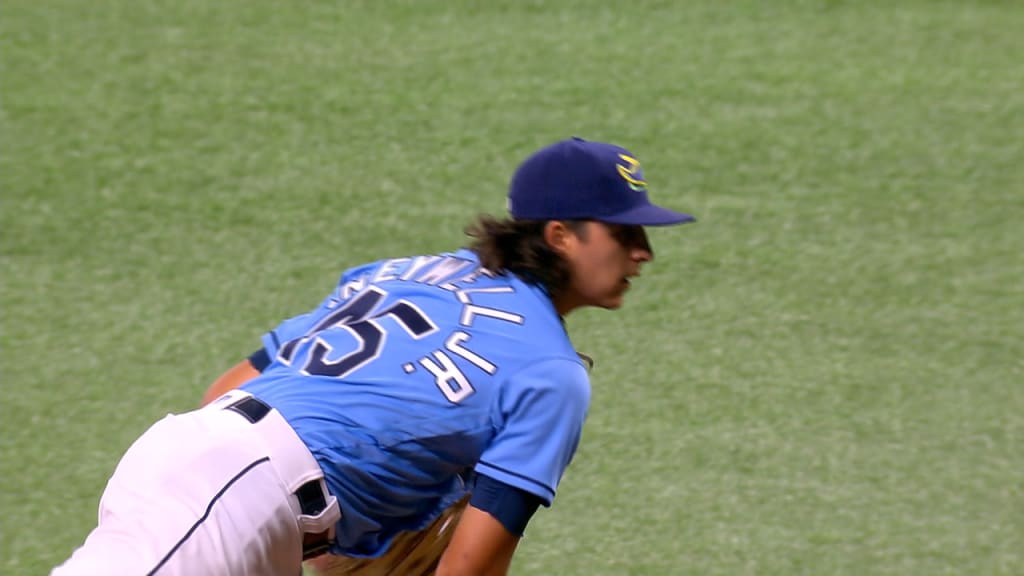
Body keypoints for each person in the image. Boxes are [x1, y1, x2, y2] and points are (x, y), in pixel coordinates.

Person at [52, 136, 696, 576]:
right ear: (561, 235)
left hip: (211, 466)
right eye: (625, 232)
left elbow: (232, 383)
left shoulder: (407, 272)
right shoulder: (550, 375)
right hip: (235, 494)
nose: (644, 252)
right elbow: (470, 566)